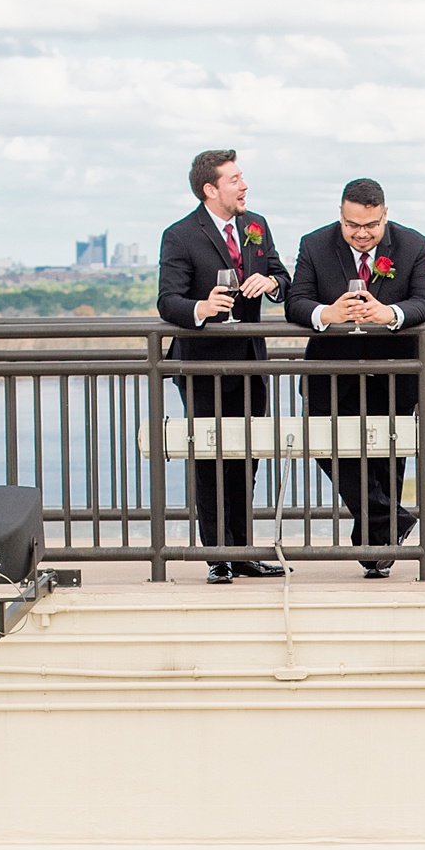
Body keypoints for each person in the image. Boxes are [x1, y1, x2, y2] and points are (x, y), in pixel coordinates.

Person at [285, 179, 425, 577]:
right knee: (327, 446)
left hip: (395, 375)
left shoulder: (413, 245)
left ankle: (376, 554)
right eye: (353, 225)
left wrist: (391, 315)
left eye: (370, 225)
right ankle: (393, 521)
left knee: (387, 464)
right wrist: (327, 314)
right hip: (331, 376)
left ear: (384, 215)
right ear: (341, 215)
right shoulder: (315, 244)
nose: (362, 233)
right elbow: (296, 302)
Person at [157, 150, 288, 584]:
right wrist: (202, 306)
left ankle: (243, 551)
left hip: (251, 362)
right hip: (202, 366)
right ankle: (218, 556)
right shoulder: (179, 235)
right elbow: (167, 300)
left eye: (242, 176)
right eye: (234, 179)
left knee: (247, 459)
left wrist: (270, 283)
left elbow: (283, 278)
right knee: (211, 460)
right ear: (210, 189)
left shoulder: (256, 226)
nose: (244, 185)